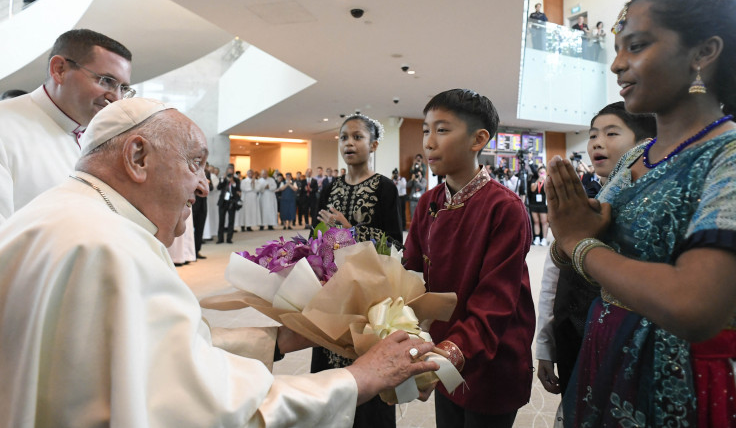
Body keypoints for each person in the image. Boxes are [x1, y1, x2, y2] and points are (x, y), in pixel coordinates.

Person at [0, 97, 440, 427]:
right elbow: (214, 405)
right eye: (195, 164)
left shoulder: (55, 214)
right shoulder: (114, 248)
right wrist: (358, 379)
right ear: (137, 157)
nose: (203, 187)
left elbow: (157, 352)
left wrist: (276, 341)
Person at [547, 0, 736, 427]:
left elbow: (696, 306)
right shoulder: (631, 160)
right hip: (611, 356)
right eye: (617, 49)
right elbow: (583, 242)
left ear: (704, 53)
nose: (618, 65)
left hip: (701, 376)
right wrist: (570, 232)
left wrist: (579, 244)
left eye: (637, 46)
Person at [404, 89, 536, 428]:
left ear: (478, 139)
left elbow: (496, 304)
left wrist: (447, 355)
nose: (429, 142)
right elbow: (411, 272)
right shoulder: (428, 201)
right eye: (425, 130)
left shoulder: (504, 208)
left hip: (490, 356)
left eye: (442, 130)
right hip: (444, 349)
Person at [535, 102, 656, 397]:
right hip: (571, 336)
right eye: (592, 135)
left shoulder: (651, 205)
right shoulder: (581, 199)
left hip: (624, 344)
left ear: (642, 144)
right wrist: (545, 343)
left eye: (611, 133)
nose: (597, 143)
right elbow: (553, 278)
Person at [313, 113, 403, 428]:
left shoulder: (385, 188)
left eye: (357, 137)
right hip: (333, 293)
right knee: (330, 381)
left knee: (368, 379)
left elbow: (395, 244)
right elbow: (316, 241)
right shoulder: (328, 188)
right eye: (343, 137)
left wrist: (351, 231)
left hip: (370, 296)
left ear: (373, 144)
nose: (349, 143)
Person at [0, 28, 133, 225]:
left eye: (123, 88)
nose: (116, 97)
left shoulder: (99, 138)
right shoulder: (5, 126)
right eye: (106, 81)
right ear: (59, 70)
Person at [217, 164, 240, 243]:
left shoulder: (236, 180)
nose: (230, 172)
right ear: (227, 171)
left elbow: (238, 189)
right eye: (229, 170)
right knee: (221, 221)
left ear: (233, 171)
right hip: (223, 202)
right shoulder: (223, 178)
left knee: (231, 221)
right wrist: (223, 179)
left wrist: (232, 182)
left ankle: (229, 238)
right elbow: (219, 187)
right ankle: (220, 239)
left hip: (232, 202)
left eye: (232, 170)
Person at [529, 165, 549, 246]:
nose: (541, 174)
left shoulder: (547, 180)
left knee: (544, 222)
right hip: (534, 203)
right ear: (538, 173)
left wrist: (545, 181)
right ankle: (537, 237)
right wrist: (538, 181)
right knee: (536, 221)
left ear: (546, 172)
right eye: (540, 172)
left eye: (543, 172)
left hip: (543, 204)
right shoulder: (534, 180)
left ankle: (544, 238)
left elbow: (548, 191)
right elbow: (532, 189)